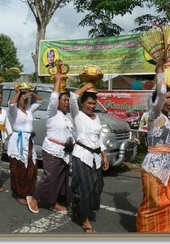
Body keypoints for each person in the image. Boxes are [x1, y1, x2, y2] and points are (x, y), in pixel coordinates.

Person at [26, 73, 75, 214]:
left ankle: (53, 203)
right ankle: (34, 198)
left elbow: (71, 134)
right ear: (58, 102)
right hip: (52, 150)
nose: (67, 102)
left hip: (64, 152)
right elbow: (53, 98)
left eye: (68, 100)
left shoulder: (68, 116)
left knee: (61, 179)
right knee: (50, 177)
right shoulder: (52, 113)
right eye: (64, 100)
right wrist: (58, 81)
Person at [136, 60, 170, 233]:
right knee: (152, 206)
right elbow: (160, 93)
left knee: (169, 204)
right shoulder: (154, 115)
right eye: (168, 97)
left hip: (169, 168)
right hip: (153, 168)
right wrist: (160, 72)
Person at [69, 83, 109, 234]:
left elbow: (98, 139)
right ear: (82, 103)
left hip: (95, 157)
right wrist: (85, 86)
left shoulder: (96, 118)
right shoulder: (77, 115)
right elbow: (73, 98)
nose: (92, 106)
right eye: (89, 103)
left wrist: (104, 156)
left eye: (94, 103)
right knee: (84, 188)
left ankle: (76, 204)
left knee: (97, 187)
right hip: (81, 156)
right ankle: (84, 220)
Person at [7, 86, 43, 205]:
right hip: (18, 142)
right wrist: (18, 93)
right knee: (19, 168)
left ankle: (29, 191)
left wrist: (31, 93)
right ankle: (19, 193)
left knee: (31, 168)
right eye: (23, 98)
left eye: (26, 98)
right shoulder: (14, 111)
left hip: (29, 141)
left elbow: (40, 101)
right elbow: (11, 104)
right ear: (18, 99)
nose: (25, 100)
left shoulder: (29, 110)